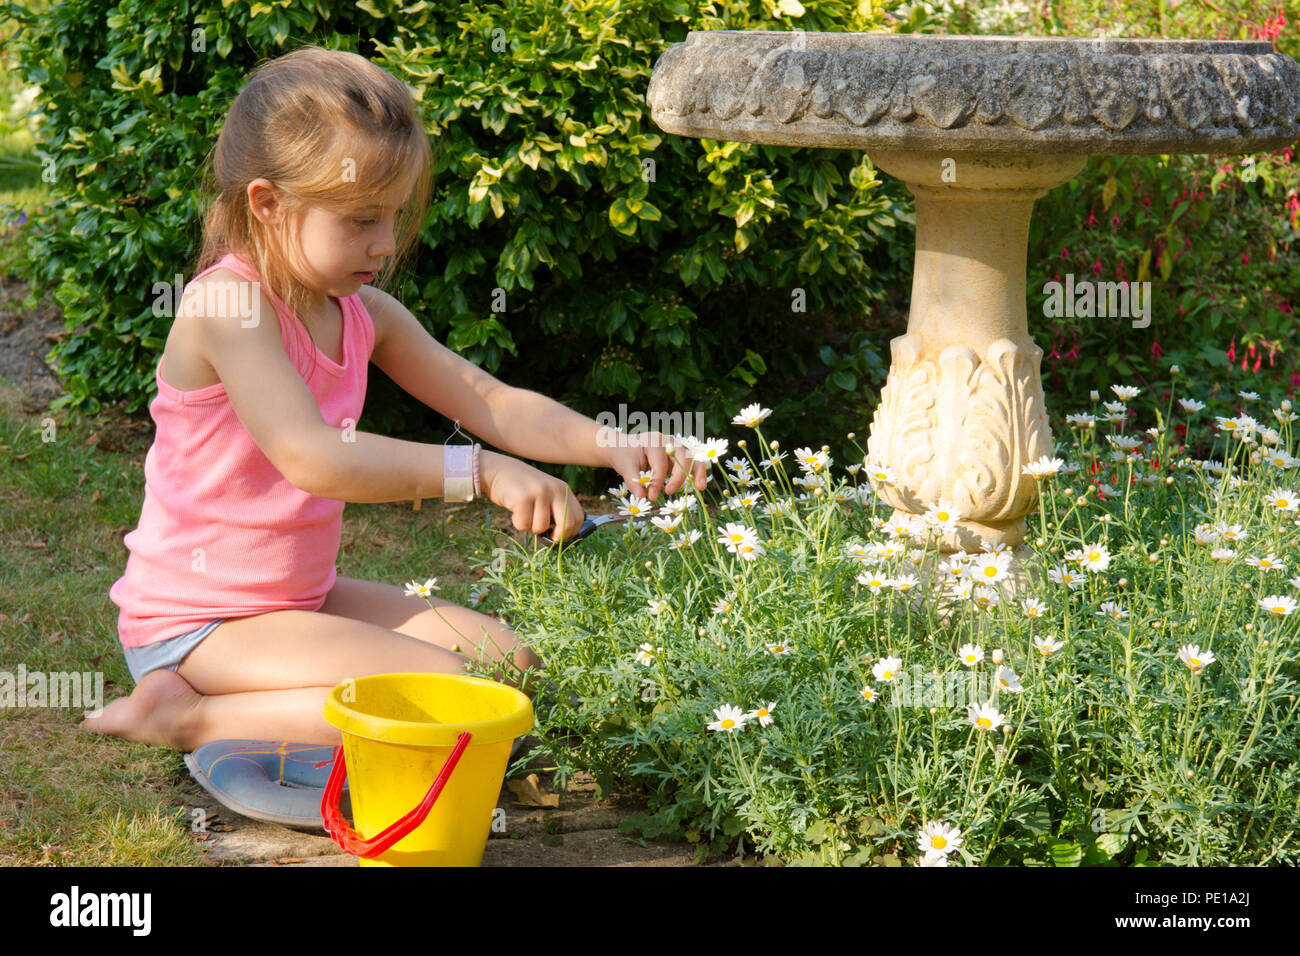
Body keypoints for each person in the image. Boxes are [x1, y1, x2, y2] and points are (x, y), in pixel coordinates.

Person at [83, 44, 706, 752]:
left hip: (299, 600)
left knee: (514, 666)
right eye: (360, 220)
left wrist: (611, 443)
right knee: (465, 701)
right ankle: (180, 715)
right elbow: (311, 456)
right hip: (201, 621)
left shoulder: (364, 314)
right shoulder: (229, 305)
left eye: (393, 216)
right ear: (267, 203)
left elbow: (487, 398)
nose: (385, 243)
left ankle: (210, 698)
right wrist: (482, 471)